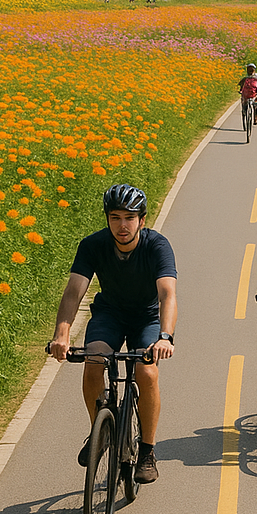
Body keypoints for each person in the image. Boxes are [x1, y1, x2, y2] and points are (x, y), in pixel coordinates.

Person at [49, 184, 176, 484]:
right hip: (110, 314)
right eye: (115, 217)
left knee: (147, 372)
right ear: (107, 218)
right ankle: (101, 431)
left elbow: (167, 294)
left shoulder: (157, 246)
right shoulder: (93, 245)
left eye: (129, 218)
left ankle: (147, 451)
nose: (122, 225)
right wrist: (61, 335)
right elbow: (74, 291)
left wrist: (165, 337)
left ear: (142, 220)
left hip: (146, 318)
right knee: (93, 361)